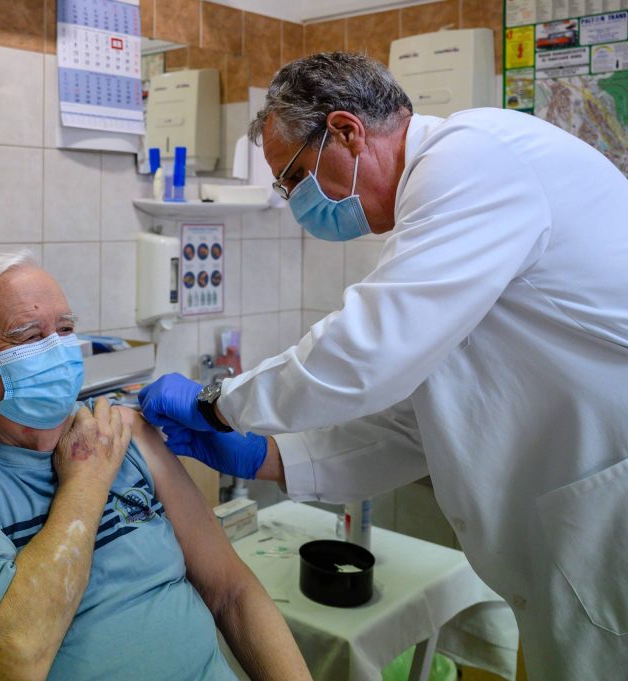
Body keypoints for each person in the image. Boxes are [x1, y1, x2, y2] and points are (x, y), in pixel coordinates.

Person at [138, 52, 628, 681]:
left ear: (346, 131)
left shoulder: (475, 159)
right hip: (570, 538)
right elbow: (419, 419)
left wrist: (217, 402)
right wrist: (268, 457)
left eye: (294, 178)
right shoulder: (440, 213)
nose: (295, 202)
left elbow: (366, 354)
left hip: (606, 516)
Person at [0, 252, 312, 681]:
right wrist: (86, 481)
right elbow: (16, 655)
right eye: (28, 336)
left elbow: (232, 591)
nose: (56, 350)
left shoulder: (121, 432)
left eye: (65, 329)